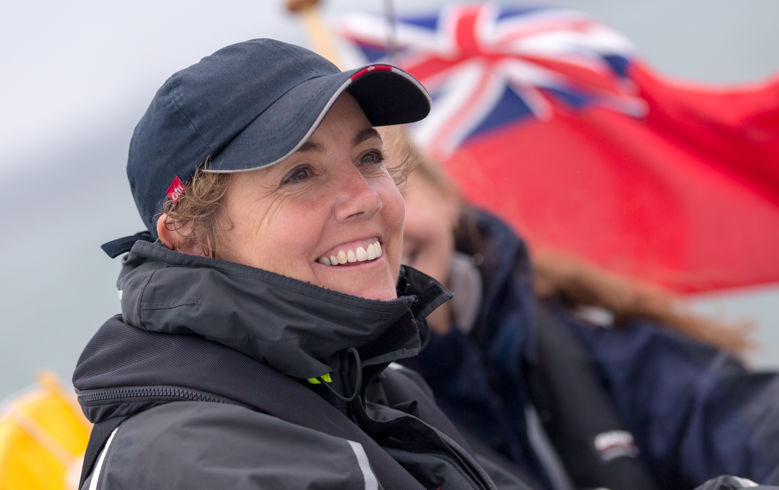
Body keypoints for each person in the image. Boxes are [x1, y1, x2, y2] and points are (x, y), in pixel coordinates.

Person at [71, 38, 533, 489]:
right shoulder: (202, 460)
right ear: (189, 238)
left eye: (368, 157)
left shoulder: (373, 383)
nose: (366, 198)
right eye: (300, 174)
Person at [394, 131, 779, 490]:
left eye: (395, 182)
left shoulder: (605, 346)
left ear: (446, 197)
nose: (384, 227)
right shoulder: (345, 420)